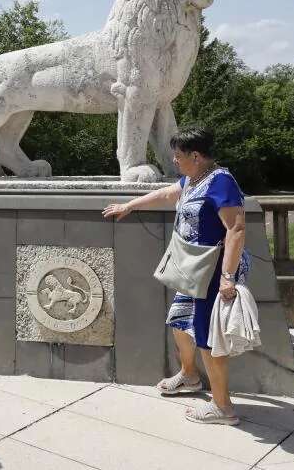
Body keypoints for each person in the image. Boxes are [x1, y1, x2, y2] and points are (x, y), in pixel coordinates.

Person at [103, 127, 248, 426]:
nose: (174, 160)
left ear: (195, 156)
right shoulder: (194, 180)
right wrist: (129, 205)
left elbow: (236, 229)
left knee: (210, 339)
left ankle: (223, 408)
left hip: (213, 274)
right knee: (180, 321)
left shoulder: (220, 181)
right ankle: (190, 376)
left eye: (179, 156)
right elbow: (167, 193)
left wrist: (228, 277)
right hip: (194, 273)